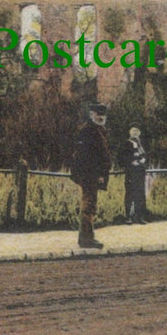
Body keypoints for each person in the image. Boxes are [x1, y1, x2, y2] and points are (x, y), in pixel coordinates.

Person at [71, 103, 112, 248]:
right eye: (98, 114)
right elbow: (86, 157)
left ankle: (87, 237)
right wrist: (98, 174)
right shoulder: (88, 131)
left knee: (90, 205)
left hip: (91, 174)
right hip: (89, 175)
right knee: (88, 205)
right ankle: (86, 238)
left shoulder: (97, 130)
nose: (100, 117)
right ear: (91, 115)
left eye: (103, 115)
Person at [119, 122, 149, 225]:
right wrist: (130, 162)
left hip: (140, 172)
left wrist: (143, 161)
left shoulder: (141, 143)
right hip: (131, 172)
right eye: (133, 130)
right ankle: (128, 217)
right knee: (130, 194)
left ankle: (139, 216)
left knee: (140, 194)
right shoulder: (127, 143)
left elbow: (145, 155)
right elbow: (122, 158)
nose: (135, 132)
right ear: (129, 132)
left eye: (137, 130)